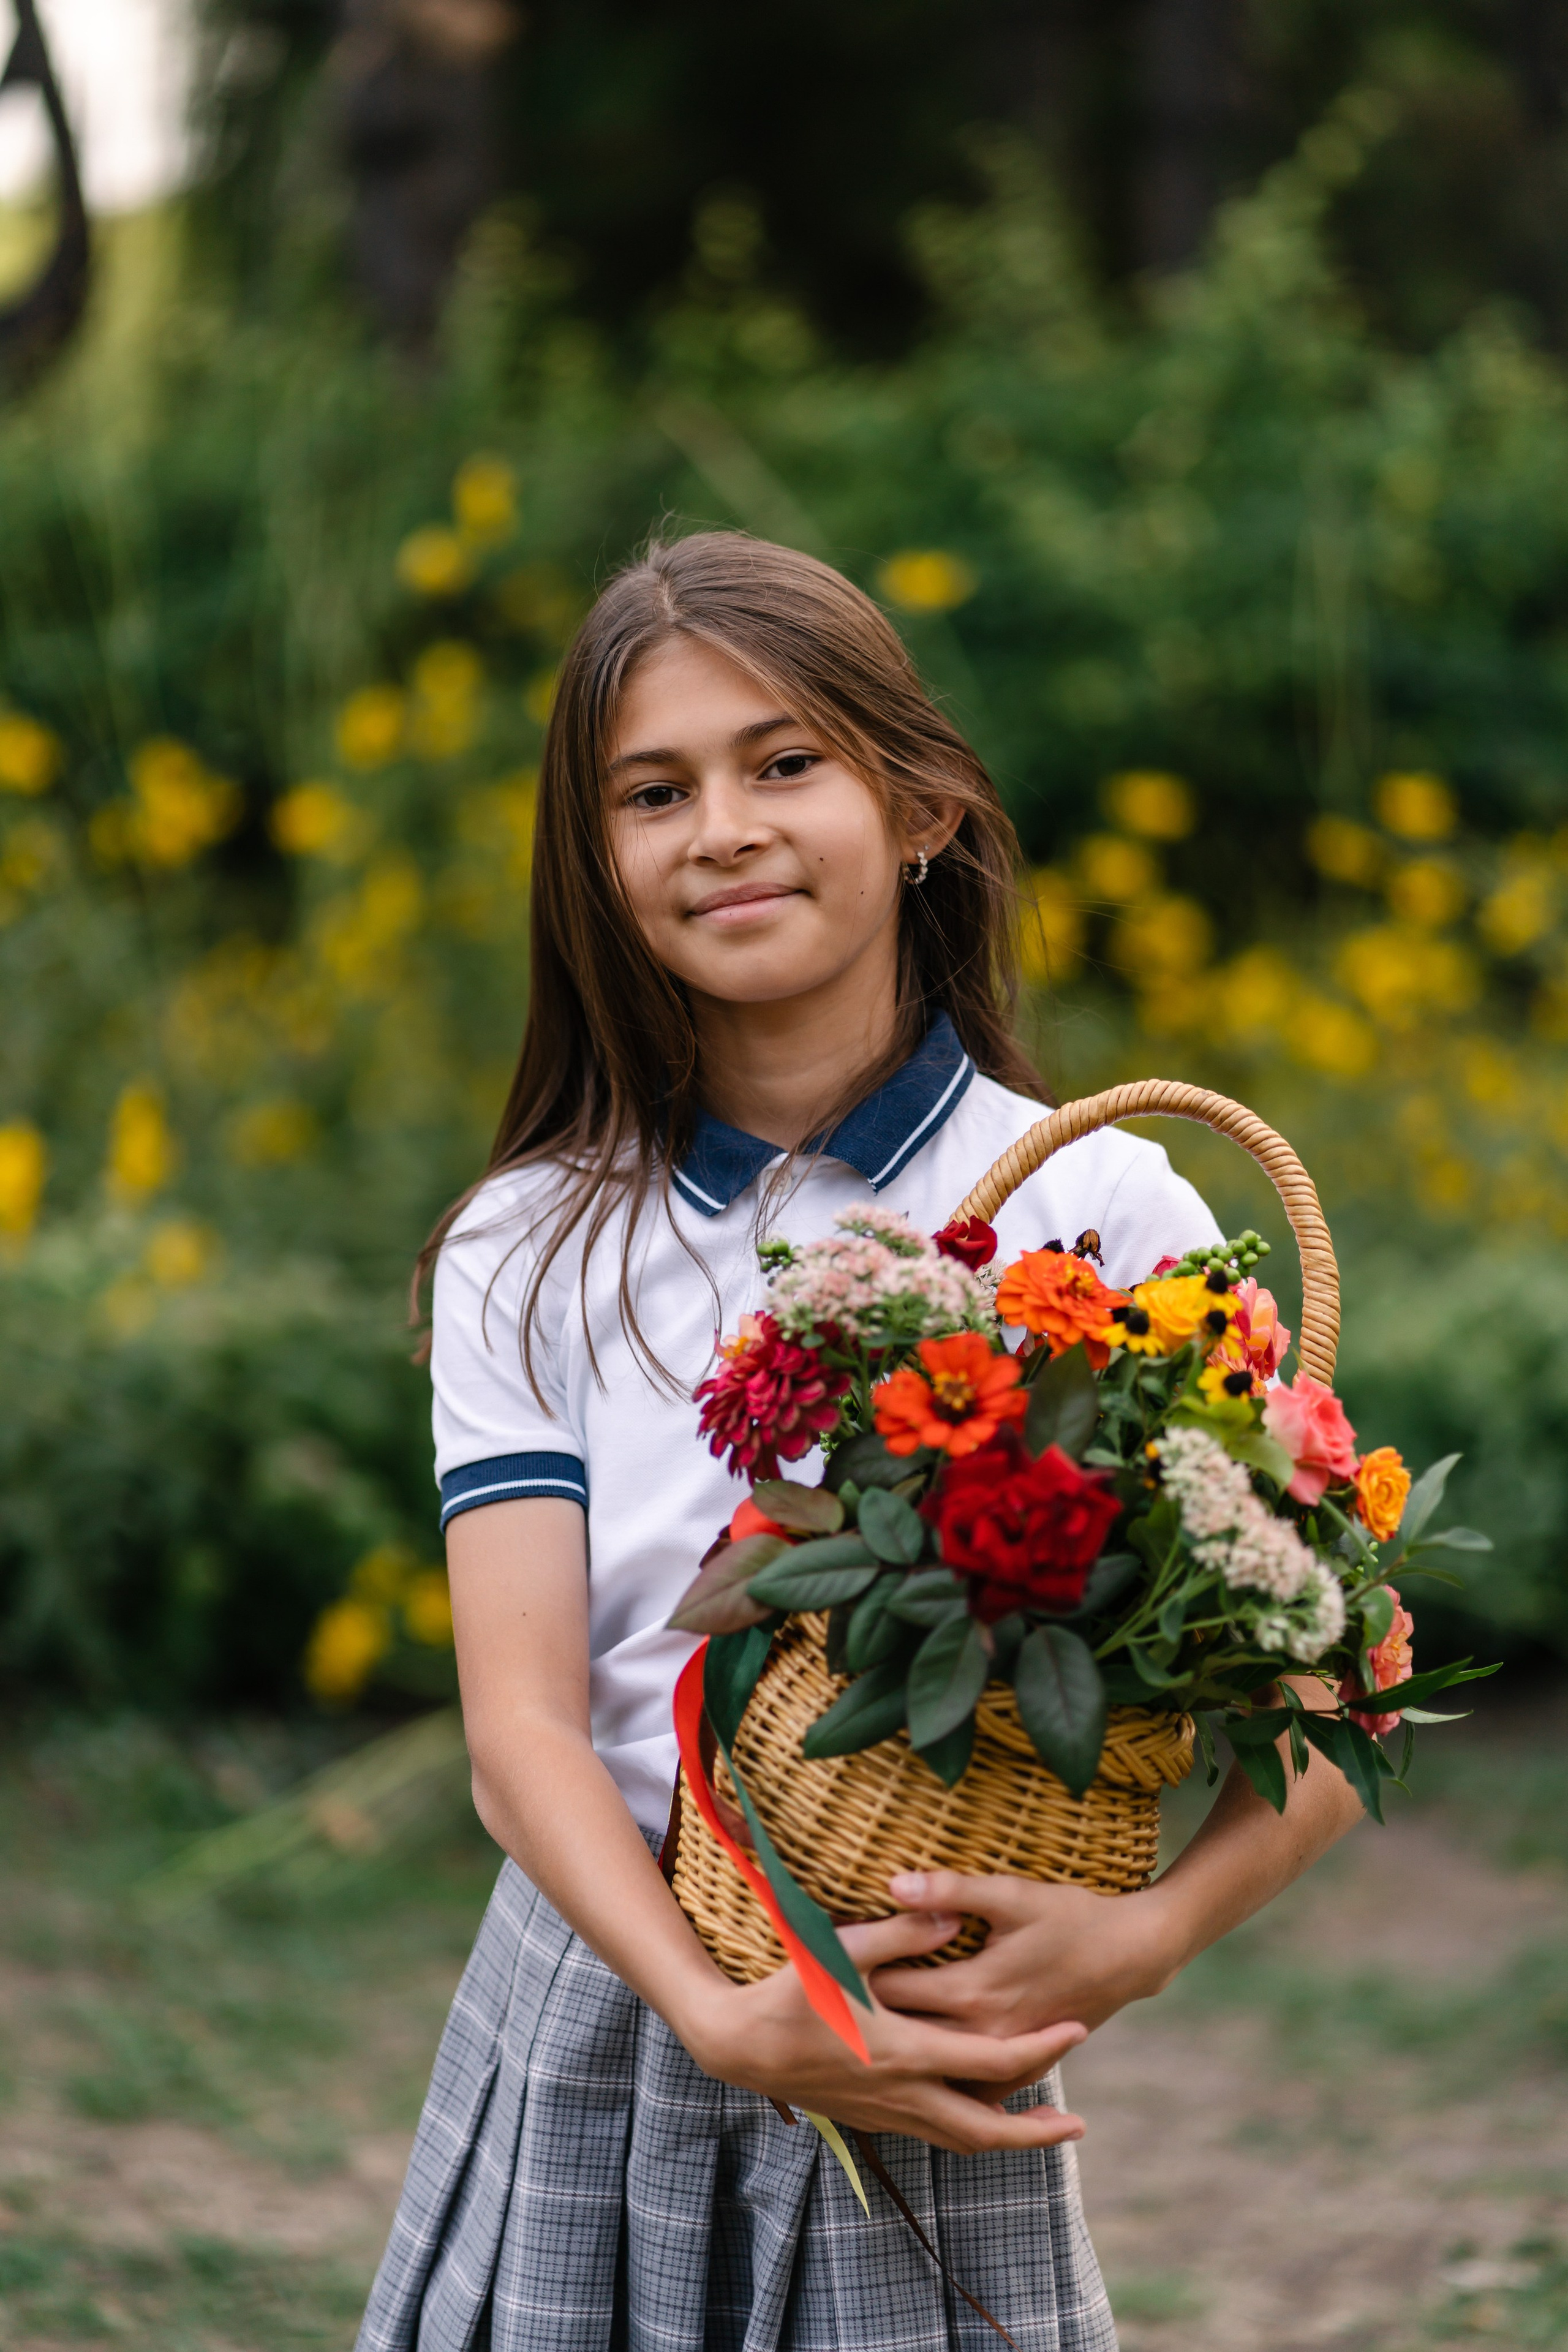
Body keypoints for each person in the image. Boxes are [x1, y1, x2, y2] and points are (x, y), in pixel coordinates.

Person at [358, 532, 1363, 2352]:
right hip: (606, 2002)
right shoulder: (531, 1240)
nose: (722, 826)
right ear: (598, 865)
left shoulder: (1111, 1210)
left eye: (786, 762)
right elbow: (518, 1729)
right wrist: (712, 2008)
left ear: (920, 810)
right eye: (654, 792)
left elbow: (1341, 1685)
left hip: (939, 2022)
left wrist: (1144, 1940)